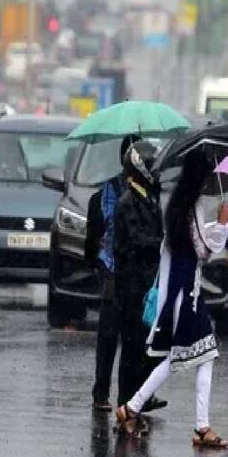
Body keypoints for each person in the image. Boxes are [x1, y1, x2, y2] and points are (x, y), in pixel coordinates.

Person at [116, 150, 228, 448]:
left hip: (184, 295)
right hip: (187, 297)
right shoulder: (190, 208)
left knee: (189, 357)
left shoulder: (177, 207)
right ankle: (196, 425)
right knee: (196, 356)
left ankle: (135, 407)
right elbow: (203, 251)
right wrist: (222, 225)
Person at [113, 141, 167, 412]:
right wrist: (162, 242)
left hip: (147, 283)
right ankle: (126, 403)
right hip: (131, 286)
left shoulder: (149, 197)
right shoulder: (127, 202)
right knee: (132, 348)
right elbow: (136, 241)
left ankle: (141, 397)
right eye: (152, 167)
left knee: (149, 345)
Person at [91, 134, 136, 411]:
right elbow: (111, 221)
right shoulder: (112, 188)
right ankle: (100, 393)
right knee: (108, 335)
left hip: (136, 273)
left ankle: (129, 398)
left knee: (134, 338)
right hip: (112, 268)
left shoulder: (149, 189)